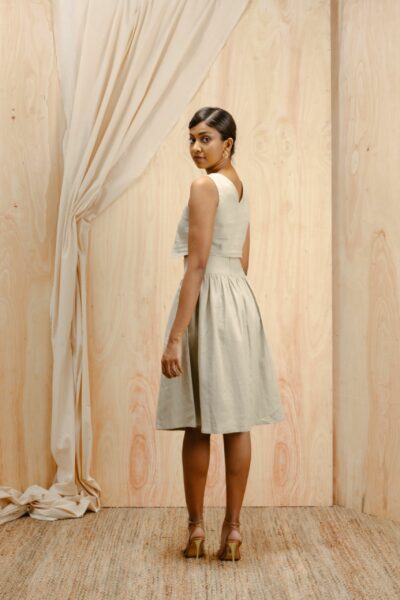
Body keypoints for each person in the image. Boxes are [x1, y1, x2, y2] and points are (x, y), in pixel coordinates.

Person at [155, 107, 286, 562]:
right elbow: (243, 260)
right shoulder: (239, 186)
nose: (196, 148)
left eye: (205, 139)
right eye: (191, 139)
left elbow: (196, 265)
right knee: (236, 421)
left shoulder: (204, 186)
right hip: (239, 303)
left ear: (227, 144)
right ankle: (233, 531)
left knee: (197, 423)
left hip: (207, 300)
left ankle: (196, 529)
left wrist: (175, 337)